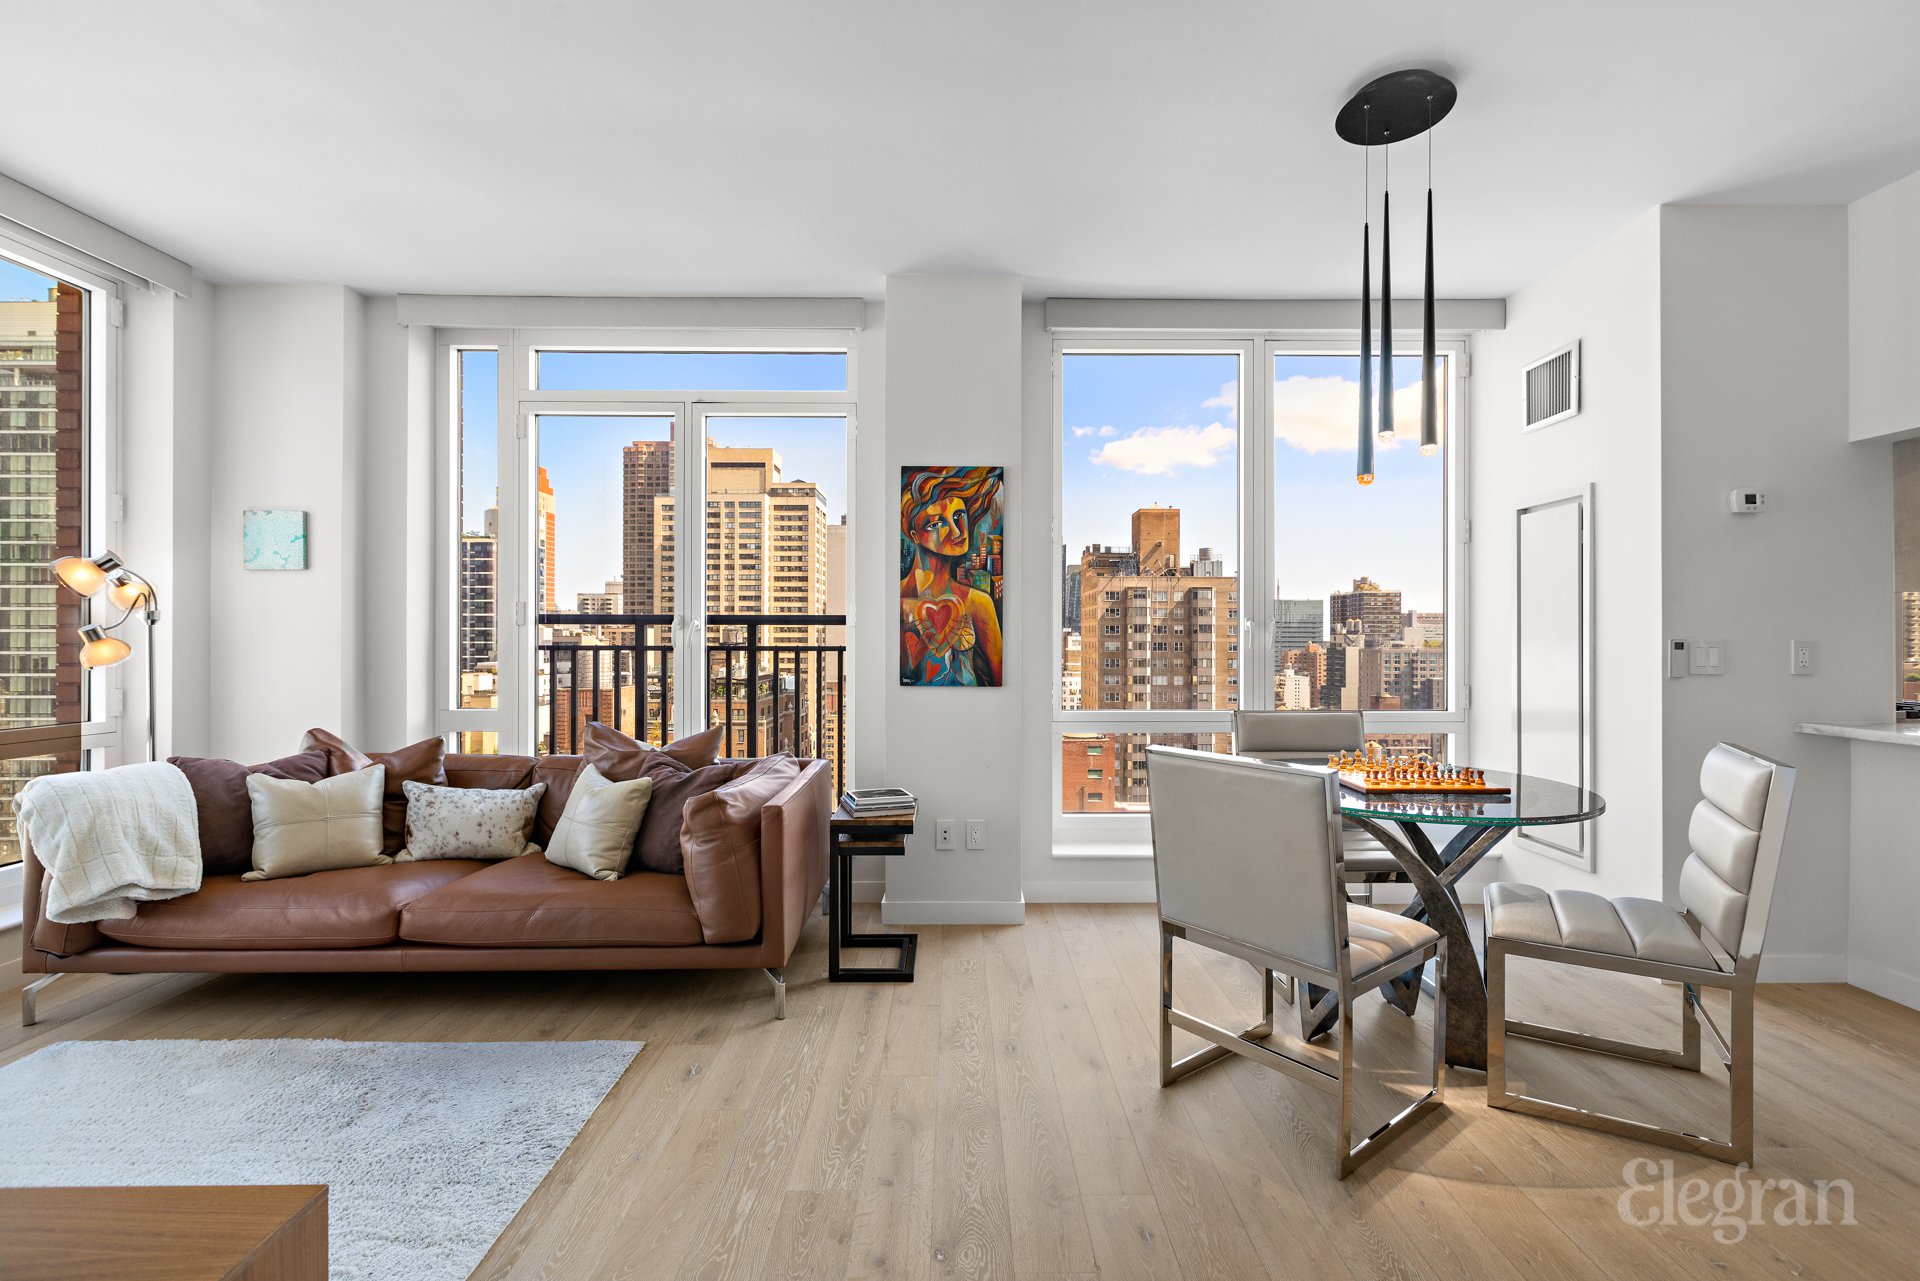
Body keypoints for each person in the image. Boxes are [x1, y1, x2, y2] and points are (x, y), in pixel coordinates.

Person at [899, 468, 1003, 686]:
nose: (957, 531)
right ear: (915, 536)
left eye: (958, 516)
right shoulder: (896, 601)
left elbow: (1000, 676)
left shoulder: (978, 603)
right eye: (936, 524)